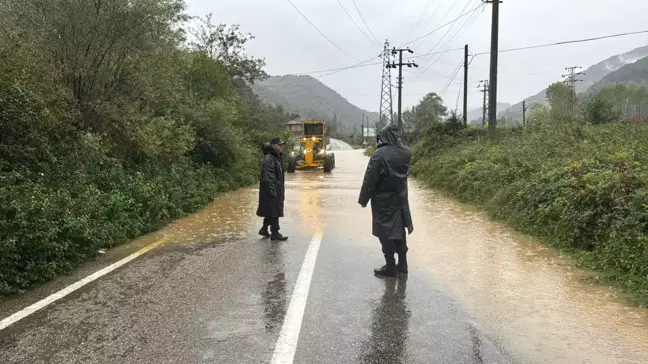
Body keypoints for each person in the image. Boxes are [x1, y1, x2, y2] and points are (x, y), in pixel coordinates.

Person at [358, 124, 413, 277]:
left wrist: (363, 199)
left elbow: (370, 179)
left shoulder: (378, 155)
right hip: (400, 200)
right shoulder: (406, 153)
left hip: (383, 201)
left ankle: (390, 266)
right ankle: (403, 264)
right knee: (400, 232)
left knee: (385, 234)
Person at [257, 137, 288, 241]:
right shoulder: (270, 158)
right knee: (274, 210)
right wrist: (273, 190)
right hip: (272, 188)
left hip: (276, 187)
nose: (281, 146)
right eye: (279, 145)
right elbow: (269, 176)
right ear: (274, 145)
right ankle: (275, 232)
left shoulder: (277, 156)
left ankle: (264, 229)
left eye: (282, 144)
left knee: (272, 209)